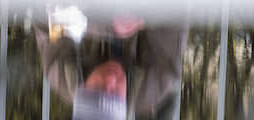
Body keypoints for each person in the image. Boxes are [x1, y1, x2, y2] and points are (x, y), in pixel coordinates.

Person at [35, 8, 188, 120]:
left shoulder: (60, 70)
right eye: (116, 93)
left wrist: (101, 24)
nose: (110, 80)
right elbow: (175, 12)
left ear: (82, 88)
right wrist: (141, 13)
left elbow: (44, 13)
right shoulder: (155, 83)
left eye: (99, 87)